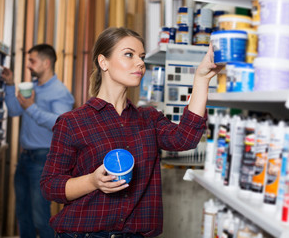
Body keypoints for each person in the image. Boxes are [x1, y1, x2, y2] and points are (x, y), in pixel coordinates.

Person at [40, 27, 223, 238]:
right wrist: (92, 181)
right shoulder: (72, 122)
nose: (140, 63)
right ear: (103, 62)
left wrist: (201, 79)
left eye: (142, 57)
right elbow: (50, 186)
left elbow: (186, 139)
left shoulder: (149, 118)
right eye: (129, 54)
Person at [2, 44, 75, 238]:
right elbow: (16, 110)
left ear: (46, 62)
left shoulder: (60, 92)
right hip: (25, 158)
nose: (28, 65)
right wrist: (10, 85)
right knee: (22, 214)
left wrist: (32, 107)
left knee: (40, 217)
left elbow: (61, 124)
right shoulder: (32, 88)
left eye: (32, 61)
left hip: (44, 160)